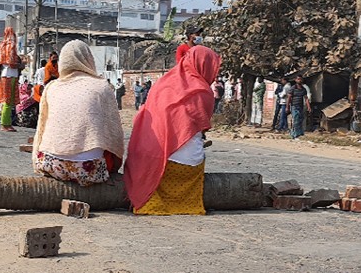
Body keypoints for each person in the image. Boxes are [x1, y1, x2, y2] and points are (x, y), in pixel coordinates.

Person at [125, 44, 220, 214]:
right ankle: (187, 205)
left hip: (156, 165)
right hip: (189, 168)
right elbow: (201, 129)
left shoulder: (162, 84)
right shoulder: (204, 91)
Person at [32, 40, 124, 186]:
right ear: (89, 59)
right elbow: (115, 136)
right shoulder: (102, 86)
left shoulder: (51, 87)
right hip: (89, 170)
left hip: (50, 164)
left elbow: (41, 128)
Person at [0, 27, 22, 131]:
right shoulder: (11, 46)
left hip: (5, 75)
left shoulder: (1, 45)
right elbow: (11, 63)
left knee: (8, 101)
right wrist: (20, 65)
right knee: (8, 101)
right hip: (10, 75)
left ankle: (7, 123)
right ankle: (5, 124)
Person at [286, 75, 310, 139]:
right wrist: (287, 107)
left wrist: (308, 107)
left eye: (301, 79)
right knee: (296, 119)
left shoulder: (303, 89)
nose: (299, 80)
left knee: (300, 119)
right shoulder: (293, 88)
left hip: (300, 106)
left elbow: (306, 98)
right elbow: (289, 98)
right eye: (298, 79)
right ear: (296, 80)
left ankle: (299, 133)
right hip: (294, 106)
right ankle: (294, 134)